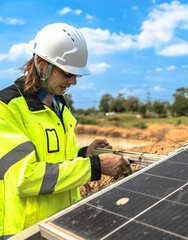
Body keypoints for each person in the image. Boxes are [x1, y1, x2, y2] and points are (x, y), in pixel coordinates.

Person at [0, 23, 128, 239]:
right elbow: (24, 178)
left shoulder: (59, 105)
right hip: (26, 232)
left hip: (63, 223)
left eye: (77, 75)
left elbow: (56, 159)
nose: (74, 82)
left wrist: (83, 153)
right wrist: (94, 166)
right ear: (41, 62)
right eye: (68, 73)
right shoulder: (6, 108)